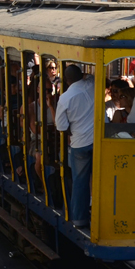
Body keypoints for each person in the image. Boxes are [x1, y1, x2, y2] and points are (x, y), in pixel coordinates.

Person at [53, 64, 95, 227]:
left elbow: (61, 126)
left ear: (66, 80)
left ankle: (79, 219)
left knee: (80, 182)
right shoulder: (92, 85)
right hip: (100, 141)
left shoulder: (65, 98)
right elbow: (91, 76)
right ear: (81, 75)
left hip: (80, 144)